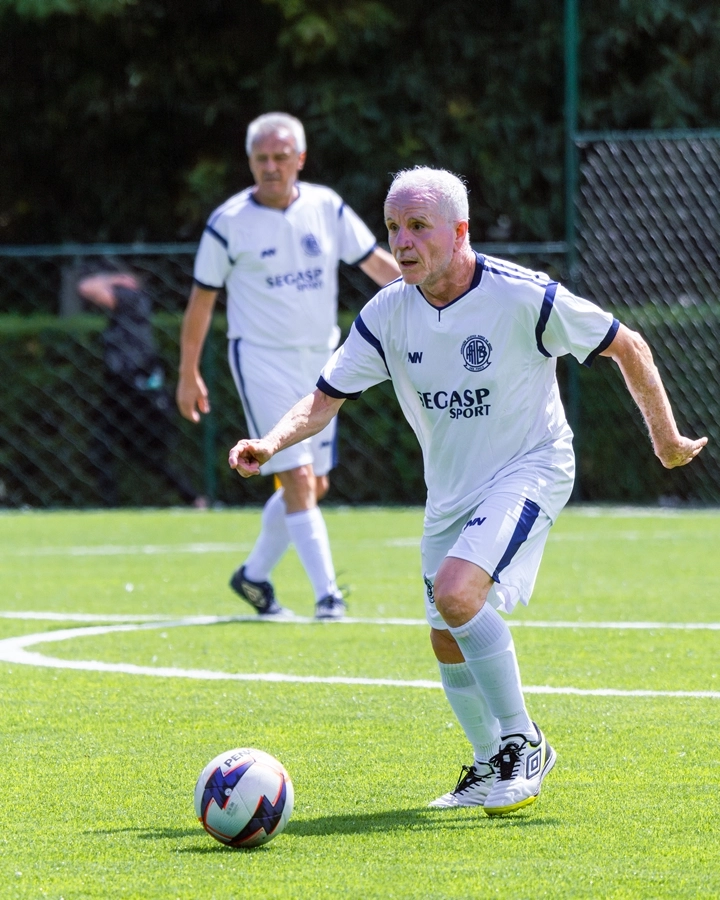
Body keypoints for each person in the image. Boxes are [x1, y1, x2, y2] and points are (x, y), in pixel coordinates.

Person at [227, 166, 707, 815]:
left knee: (457, 594)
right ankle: (488, 765)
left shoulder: (522, 296)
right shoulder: (388, 312)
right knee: (444, 632)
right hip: (451, 491)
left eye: (418, 227)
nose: (401, 241)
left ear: (460, 231)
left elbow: (628, 346)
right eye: (394, 227)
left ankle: (524, 742)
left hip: (531, 466)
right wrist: (270, 442)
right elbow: (324, 397)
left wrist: (667, 439)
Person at [177, 112, 400, 620]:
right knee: (297, 479)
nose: (271, 167)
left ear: (300, 159)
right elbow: (201, 301)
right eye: (262, 159)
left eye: (281, 157)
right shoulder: (228, 223)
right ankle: (329, 598)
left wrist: (430, 290)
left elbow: (375, 262)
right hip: (260, 360)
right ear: (250, 162)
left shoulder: (327, 207)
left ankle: (253, 577)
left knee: (314, 486)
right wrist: (188, 371)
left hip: (323, 359)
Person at [78, 271, 204, 508]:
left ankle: (194, 498)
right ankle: (109, 504)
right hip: (120, 393)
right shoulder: (131, 309)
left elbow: (87, 287)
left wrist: (112, 279)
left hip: (137, 395)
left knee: (143, 454)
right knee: (103, 448)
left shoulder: (129, 298)